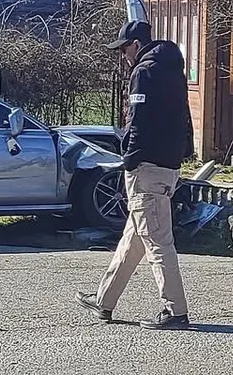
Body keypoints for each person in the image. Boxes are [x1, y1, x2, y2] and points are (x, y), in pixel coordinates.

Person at [78, 20, 193, 330]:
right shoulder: (174, 72)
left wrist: (129, 156)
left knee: (157, 241)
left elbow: (137, 121)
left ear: (137, 45)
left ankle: (175, 310)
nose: (123, 56)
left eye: (124, 49)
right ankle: (104, 301)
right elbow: (185, 116)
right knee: (134, 239)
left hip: (146, 167)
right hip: (167, 166)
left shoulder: (143, 72)